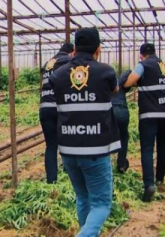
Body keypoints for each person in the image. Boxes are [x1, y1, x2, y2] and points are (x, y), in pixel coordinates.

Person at [49, 28, 120, 237]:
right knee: (101, 204)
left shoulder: (58, 75)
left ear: (74, 49)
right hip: (95, 150)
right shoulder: (106, 72)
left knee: (83, 198)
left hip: (69, 150)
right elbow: (115, 90)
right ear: (98, 49)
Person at [124, 43, 165, 202]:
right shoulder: (162, 65)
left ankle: (149, 185)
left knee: (147, 148)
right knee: (162, 145)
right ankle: (160, 179)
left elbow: (130, 81)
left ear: (142, 55)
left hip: (150, 113)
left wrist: (126, 83)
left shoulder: (142, 65)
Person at [39, 42, 74, 184]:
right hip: (60, 108)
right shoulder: (68, 61)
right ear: (72, 52)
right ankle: (69, 172)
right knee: (67, 141)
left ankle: (51, 180)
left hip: (45, 107)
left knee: (51, 145)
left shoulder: (48, 63)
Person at [112, 70, 132, 173]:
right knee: (123, 136)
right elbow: (128, 71)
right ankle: (122, 164)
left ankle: (104, 163)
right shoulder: (121, 85)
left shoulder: (105, 84)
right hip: (122, 110)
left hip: (109, 112)